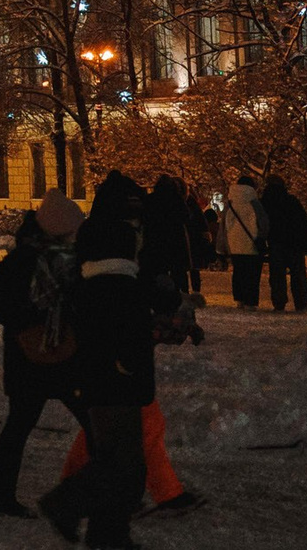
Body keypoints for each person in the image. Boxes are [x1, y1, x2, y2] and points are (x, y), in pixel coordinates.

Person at [37, 213, 156, 549]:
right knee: (123, 466)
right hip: (118, 384)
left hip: (101, 383)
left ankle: (108, 533)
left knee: (116, 461)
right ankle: (68, 504)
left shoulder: (93, 284)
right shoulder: (120, 287)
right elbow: (126, 339)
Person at [0, 191, 83, 516]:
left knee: (25, 424)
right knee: (22, 425)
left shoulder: (64, 256)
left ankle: (98, 488)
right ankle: (6, 498)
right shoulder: (25, 260)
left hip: (53, 353)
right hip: (31, 353)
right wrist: (27, 320)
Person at [139, 175, 200, 305]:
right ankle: (180, 296)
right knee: (178, 272)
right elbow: (186, 216)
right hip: (175, 242)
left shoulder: (149, 200)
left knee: (158, 271)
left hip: (155, 242)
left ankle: (159, 297)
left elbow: (143, 218)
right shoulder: (176, 199)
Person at [259, 173, 307, 313]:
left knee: (277, 274)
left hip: (275, 242)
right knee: (298, 273)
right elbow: (302, 220)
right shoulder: (291, 200)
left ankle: (279, 303)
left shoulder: (264, 202)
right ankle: (301, 302)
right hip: (294, 242)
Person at [219, 172, 267, 308]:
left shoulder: (231, 203)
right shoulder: (254, 203)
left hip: (234, 244)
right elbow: (263, 222)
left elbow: (224, 224)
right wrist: (262, 236)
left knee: (238, 272)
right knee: (252, 274)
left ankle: (239, 298)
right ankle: (250, 301)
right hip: (252, 243)